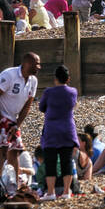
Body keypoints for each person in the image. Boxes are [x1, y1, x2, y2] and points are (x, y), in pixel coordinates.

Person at [38, 64, 78, 200]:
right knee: (67, 161)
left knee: (51, 162)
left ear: (55, 79)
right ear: (68, 79)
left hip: (52, 131)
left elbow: (42, 107)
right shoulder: (73, 92)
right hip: (67, 130)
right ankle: (67, 192)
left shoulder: (48, 92)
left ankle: (50, 193)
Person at [0, 53, 39, 152]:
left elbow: (27, 106)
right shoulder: (9, 75)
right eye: (35, 65)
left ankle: (13, 168)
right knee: (3, 148)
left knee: (17, 149)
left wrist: (17, 125)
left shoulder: (33, 81)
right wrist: (0, 119)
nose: (38, 67)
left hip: (12, 118)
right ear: (26, 64)